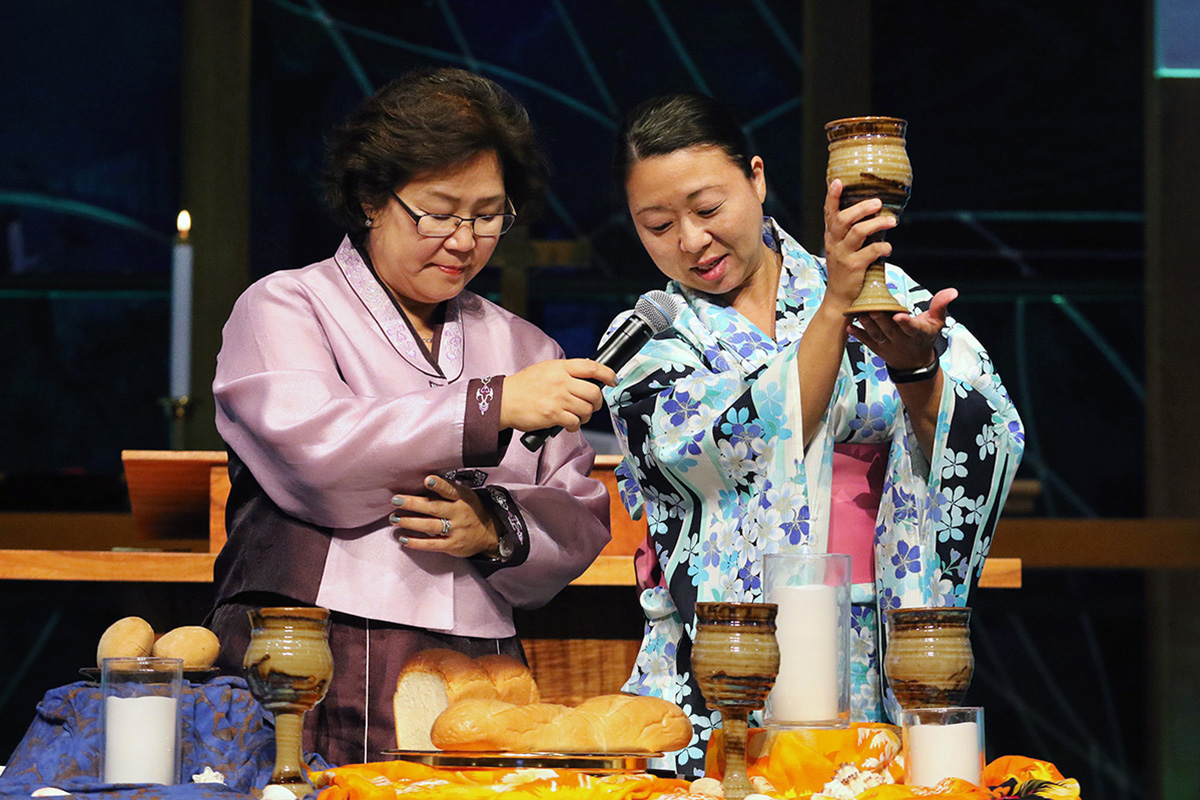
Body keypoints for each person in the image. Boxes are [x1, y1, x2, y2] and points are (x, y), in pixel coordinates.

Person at [604, 93, 1024, 775]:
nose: (689, 241)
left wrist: (918, 372)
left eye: (707, 210)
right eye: (657, 225)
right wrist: (835, 306)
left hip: (877, 655)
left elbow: (989, 439)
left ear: (758, 179)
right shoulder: (651, 348)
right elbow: (742, 445)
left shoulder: (885, 293)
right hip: (728, 678)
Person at [207, 68, 614, 766]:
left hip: (479, 661)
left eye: (487, 216)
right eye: (438, 211)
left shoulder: (523, 344)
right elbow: (320, 457)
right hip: (313, 645)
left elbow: (579, 511)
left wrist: (493, 527)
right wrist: (494, 405)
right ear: (370, 197)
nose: (463, 241)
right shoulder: (287, 307)